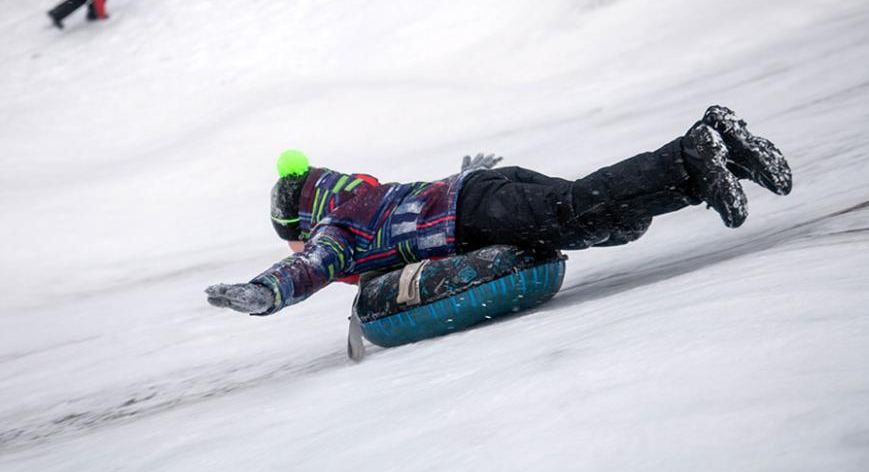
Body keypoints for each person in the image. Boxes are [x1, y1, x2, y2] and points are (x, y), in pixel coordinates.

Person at [205, 106, 792, 316]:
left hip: (478, 209)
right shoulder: (361, 194)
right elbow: (413, 206)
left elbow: (310, 266)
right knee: (602, 219)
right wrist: (462, 175)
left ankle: (693, 149)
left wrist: (267, 291)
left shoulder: (335, 229)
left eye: (292, 238)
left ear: (301, 220)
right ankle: (721, 157)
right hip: (482, 190)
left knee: (578, 210)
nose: (299, 248)